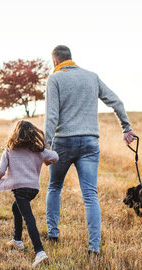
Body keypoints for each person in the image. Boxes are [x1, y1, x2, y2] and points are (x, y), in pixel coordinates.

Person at [44, 45, 136, 253]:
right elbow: (116, 102)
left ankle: (53, 234)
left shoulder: (55, 79)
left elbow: (51, 117)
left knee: (54, 187)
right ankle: (94, 247)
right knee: (90, 195)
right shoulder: (91, 77)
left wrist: (45, 147)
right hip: (89, 142)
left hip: (64, 142)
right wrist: (126, 128)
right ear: (71, 59)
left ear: (55, 62)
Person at [0, 120, 58, 267]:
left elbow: (0, 170)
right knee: (15, 208)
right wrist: (47, 160)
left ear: (15, 134)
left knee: (28, 217)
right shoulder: (38, 150)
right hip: (33, 189)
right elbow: (55, 156)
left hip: (20, 189)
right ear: (32, 134)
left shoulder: (10, 150)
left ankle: (40, 252)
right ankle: (17, 240)